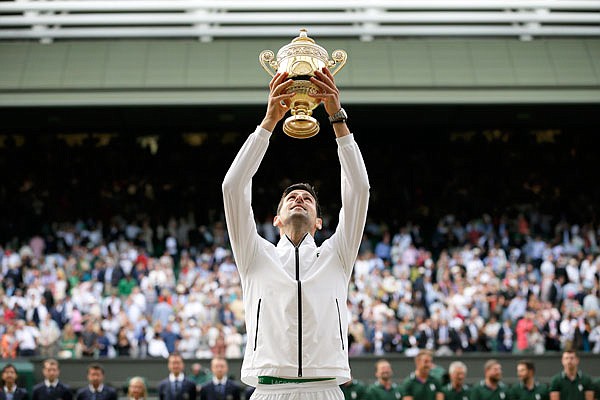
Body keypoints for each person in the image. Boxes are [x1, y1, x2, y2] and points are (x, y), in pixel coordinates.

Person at [222, 67, 370, 399]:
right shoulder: (254, 254)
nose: (299, 199)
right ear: (276, 219)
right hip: (268, 388)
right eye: (291, 197)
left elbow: (359, 189)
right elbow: (232, 187)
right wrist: (269, 122)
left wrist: (337, 118)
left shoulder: (338, 254)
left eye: (307, 199)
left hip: (326, 387)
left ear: (319, 222)